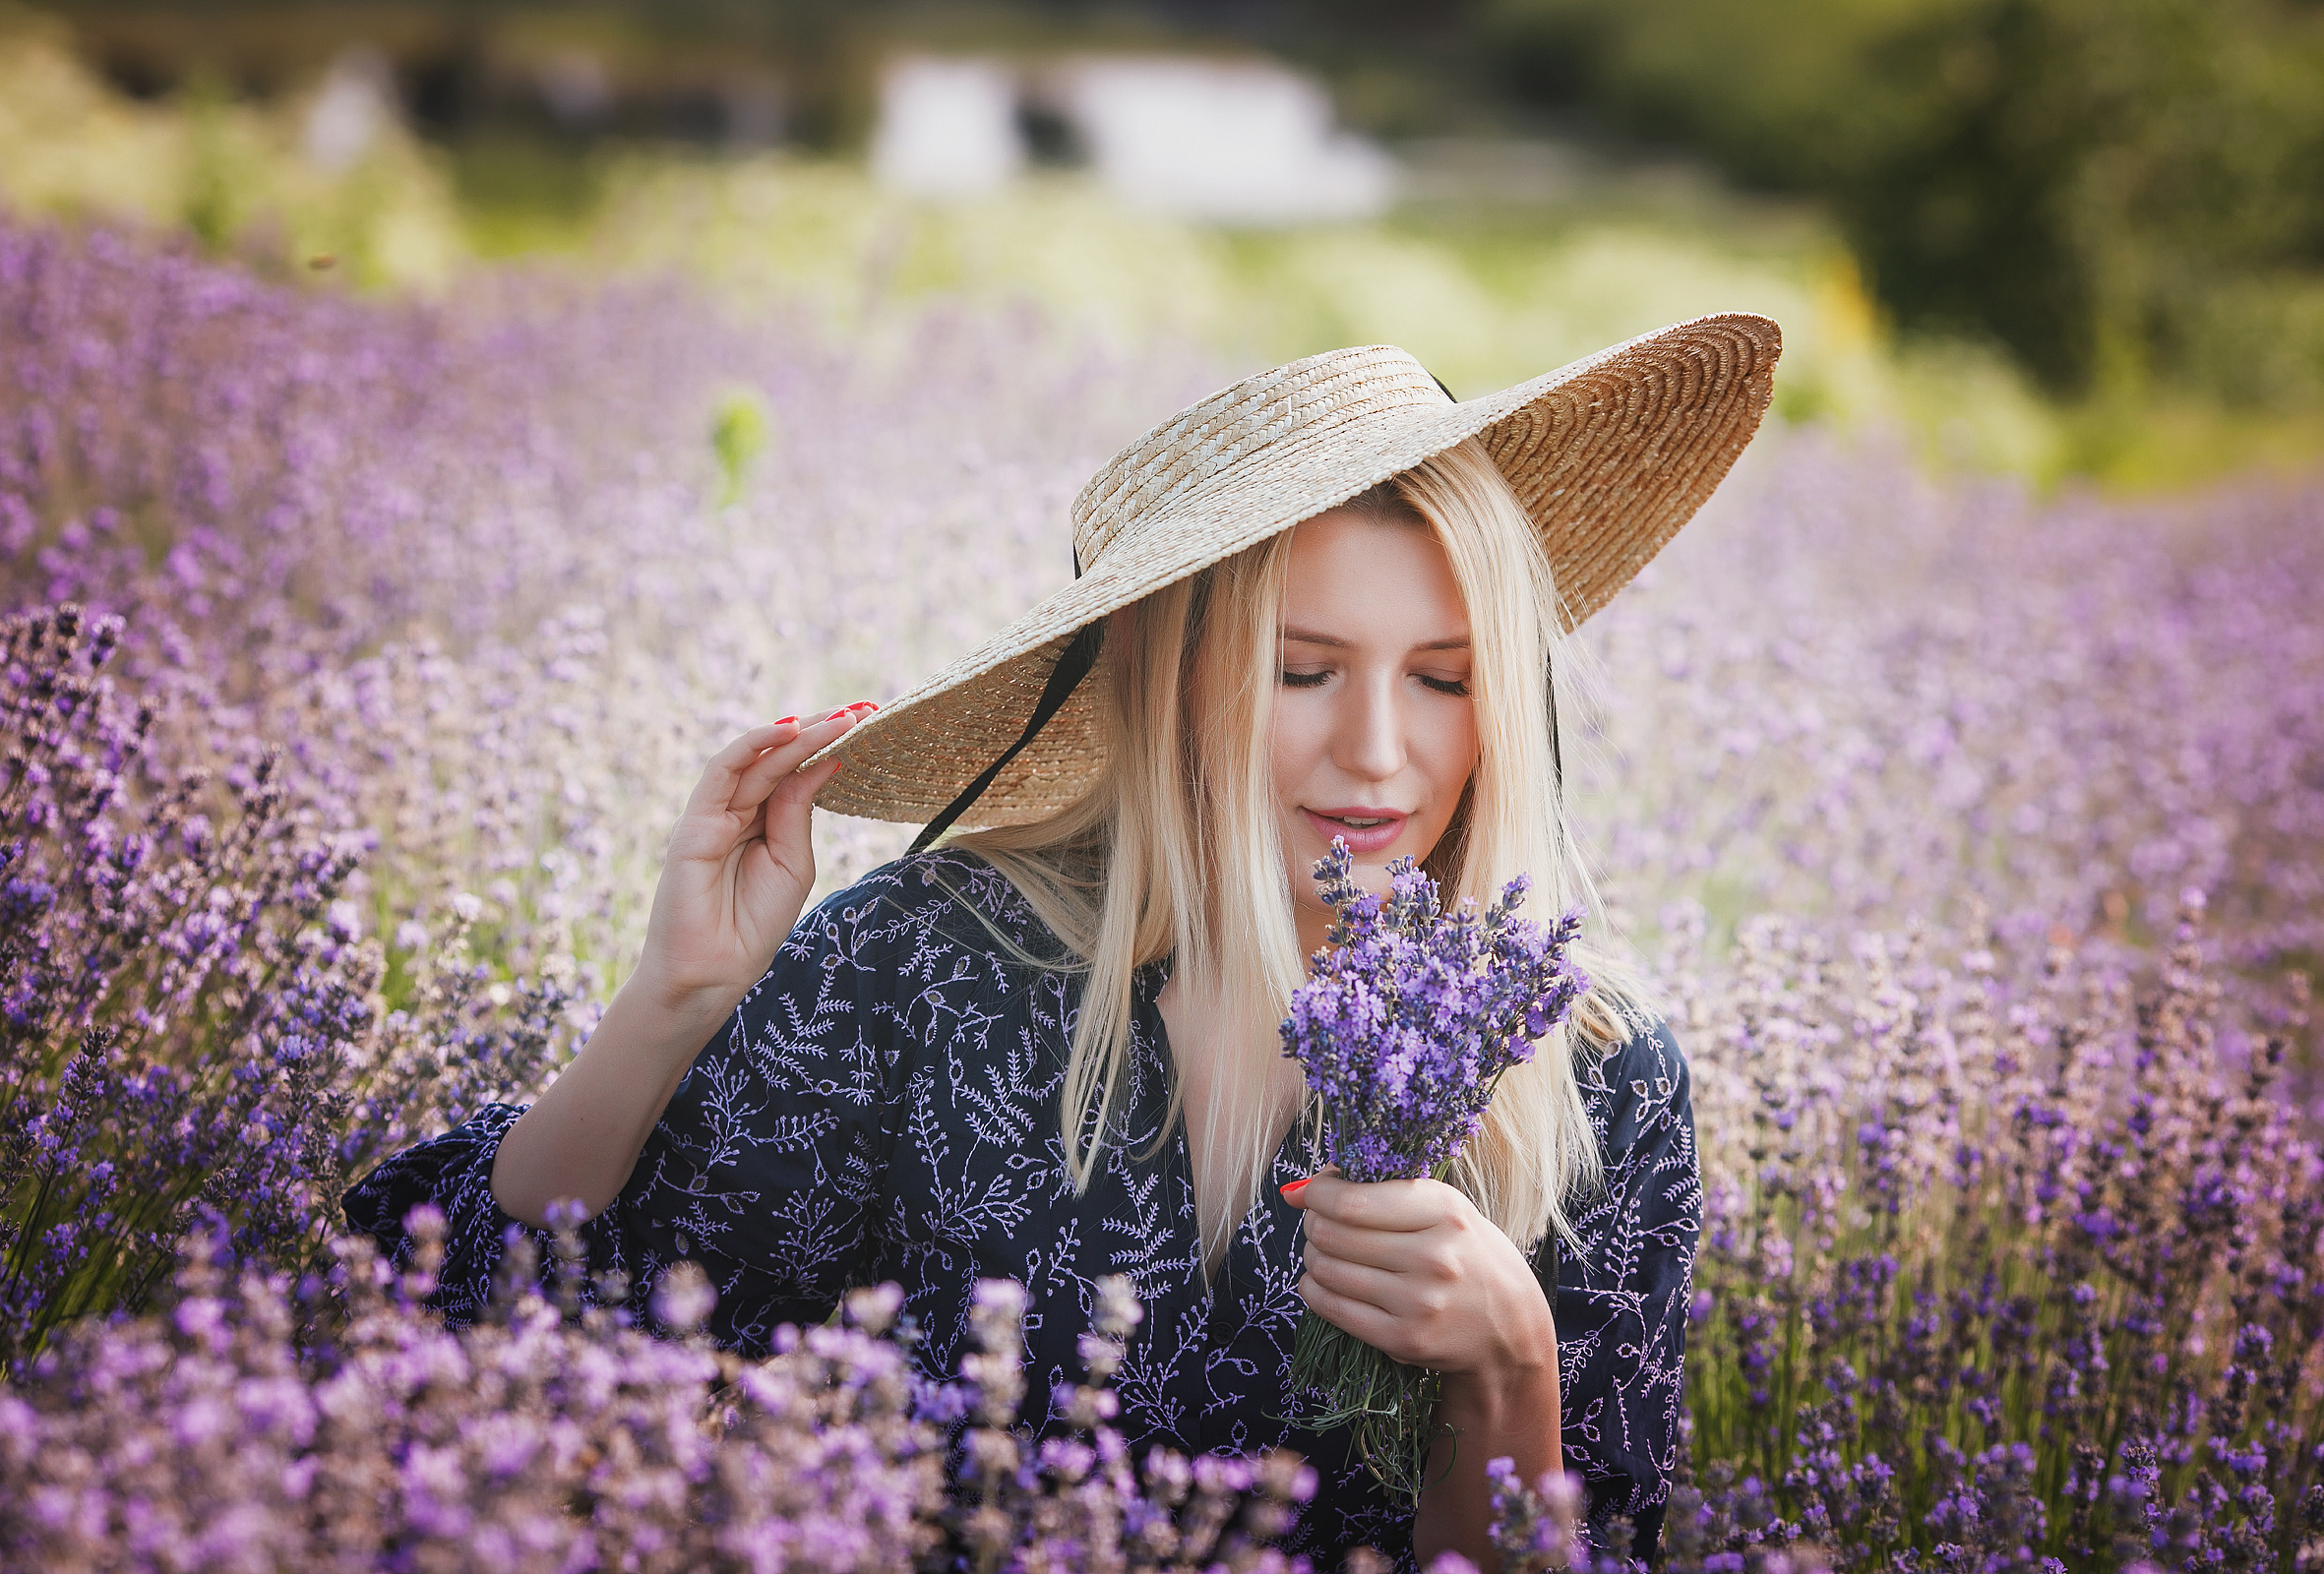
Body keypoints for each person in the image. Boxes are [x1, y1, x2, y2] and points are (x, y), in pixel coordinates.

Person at [345, 318, 1781, 1570]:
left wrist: (1508, 1370)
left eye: (1445, 680)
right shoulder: (936, 968)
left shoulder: (1593, 1079)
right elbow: (500, 1316)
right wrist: (672, 1000)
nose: (1379, 751)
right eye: (1303, 671)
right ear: (1178, 682)